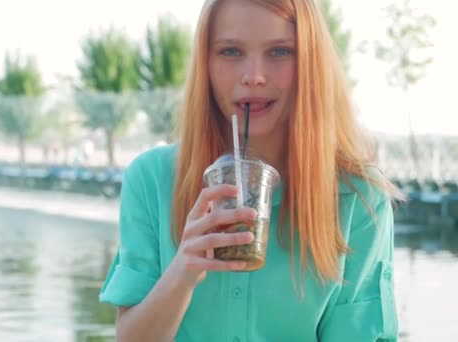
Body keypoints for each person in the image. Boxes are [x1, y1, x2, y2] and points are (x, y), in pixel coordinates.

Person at [99, 0, 404, 341]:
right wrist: (183, 271)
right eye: (230, 51)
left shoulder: (359, 198)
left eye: (279, 52)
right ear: (206, 63)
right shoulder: (152, 179)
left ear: (309, 62)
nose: (254, 76)